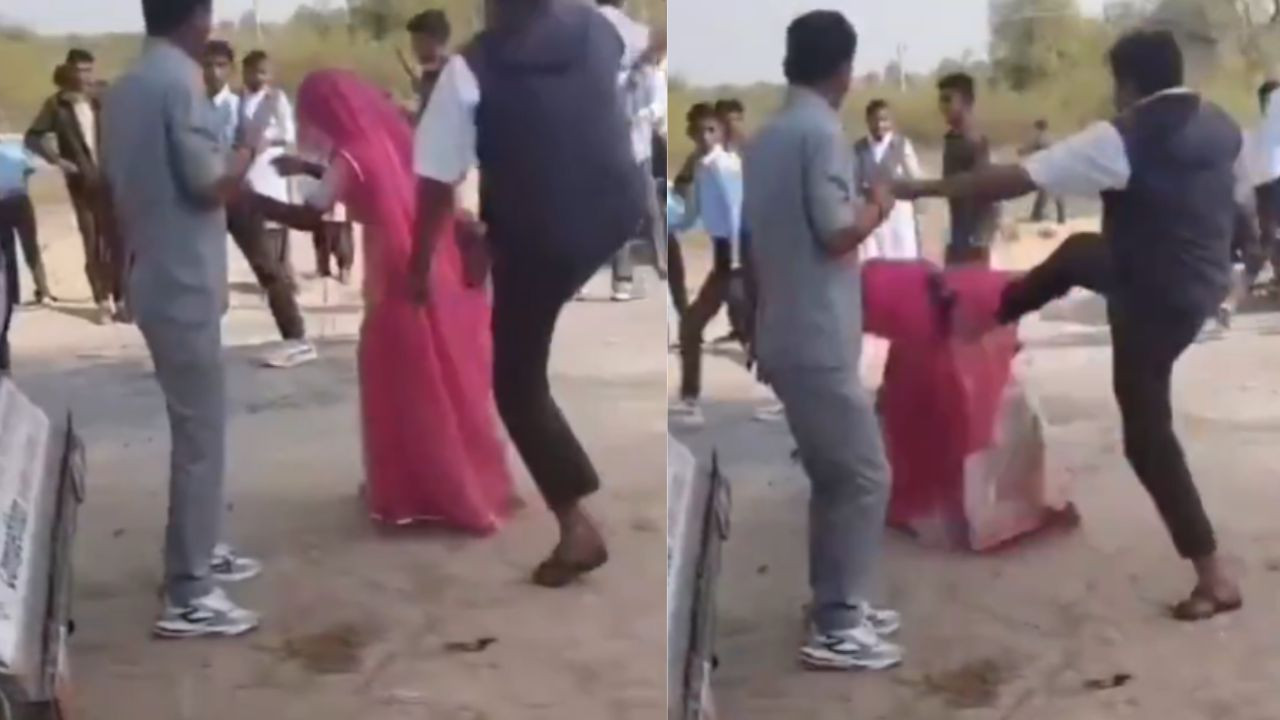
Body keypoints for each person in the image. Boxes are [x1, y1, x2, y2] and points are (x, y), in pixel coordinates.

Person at [894, 30, 1244, 621]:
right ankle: (998, 313)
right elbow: (1235, 201)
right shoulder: (1221, 124)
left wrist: (920, 188)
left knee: (1145, 435)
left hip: (1154, 293)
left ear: (1126, 83)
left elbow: (1016, 179)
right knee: (1083, 256)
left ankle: (1215, 576)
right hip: (1199, 286)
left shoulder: (1124, 136)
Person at [412, 0, 644, 587]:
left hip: (542, 235)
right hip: (618, 210)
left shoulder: (468, 70)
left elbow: (437, 182)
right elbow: (651, 42)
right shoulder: (599, 24)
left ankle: (577, 527)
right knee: (517, 249)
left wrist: (419, 266)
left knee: (517, 382)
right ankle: (492, 238)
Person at [249, 70, 512, 532]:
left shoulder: (350, 155)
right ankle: (455, 478)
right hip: (422, 259)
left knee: (399, 379)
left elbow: (312, 214)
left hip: (390, 268)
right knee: (435, 369)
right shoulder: (389, 143)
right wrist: (307, 168)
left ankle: (413, 487)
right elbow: (370, 181)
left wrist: (250, 200)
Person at [102, 0, 269, 638]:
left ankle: (199, 547)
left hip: (153, 267)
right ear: (196, 18)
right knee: (201, 433)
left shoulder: (125, 86)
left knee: (194, 427)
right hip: (182, 279)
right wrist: (249, 146)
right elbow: (208, 182)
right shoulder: (180, 81)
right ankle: (190, 591)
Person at [744, 10, 902, 671]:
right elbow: (837, 231)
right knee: (864, 476)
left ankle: (839, 601)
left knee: (835, 478)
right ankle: (837, 623)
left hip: (786, 326)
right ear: (843, 68)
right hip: (815, 335)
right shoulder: (822, 134)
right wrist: (880, 204)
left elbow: (754, 244)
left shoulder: (767, 136)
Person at [209, 45, 316, 369]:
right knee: (204, 274)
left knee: (268, 267)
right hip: (205, 198)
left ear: (229, 69)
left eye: (220, 65)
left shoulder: (240, 107)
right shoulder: (191, 107)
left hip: (238, 194)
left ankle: (296, 337)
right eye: (207, 65)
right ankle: (202, 347)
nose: (213, 72)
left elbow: (250, 146)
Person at [26, 50, 124, 324]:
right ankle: (101, 301)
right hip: (81, 185)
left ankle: (121, 298)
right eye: (79, 70)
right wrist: (58, 160)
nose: (84, 76)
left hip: (112, 181)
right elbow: (32, 138)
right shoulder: (56, 105)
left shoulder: (104, 98)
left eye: (88, 70)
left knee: (117, 241)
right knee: (92, 242)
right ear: (69, 71)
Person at [670, 104, 743, 426]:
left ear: (722, 133)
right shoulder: (701, 167)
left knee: (754, 333)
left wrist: (739, 262)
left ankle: (790, 400)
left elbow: (735, 212)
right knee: (691, 326)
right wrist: (667, 222)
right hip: (723, 257)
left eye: (712, 130)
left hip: (739, 258)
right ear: (691, 134)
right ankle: (690, 399)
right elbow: (690, 216)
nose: (705, 137)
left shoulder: (725, 166)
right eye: (700, 131)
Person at [937, 72, 998, 267]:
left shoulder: (975, 140)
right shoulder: (952, 138)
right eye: (941, 100)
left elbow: (987, 189)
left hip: (973, 236)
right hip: (958, 228)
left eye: (948, 100)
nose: (942, 106)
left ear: (967, 102)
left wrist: (980, 238)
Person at [854, 98, 922, 260]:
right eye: (875, 120)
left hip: (899, 217)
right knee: (871, 263)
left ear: (891, 121)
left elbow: (916, 180)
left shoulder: (902, 145)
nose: (880, 125)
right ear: (867, 121)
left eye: (884, 120)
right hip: (871, 217)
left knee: (902, 262)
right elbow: (854, 183)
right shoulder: (859, 149)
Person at [0, 139, 52, 308]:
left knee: (7, 252)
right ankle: (44, 292)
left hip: (2, 204)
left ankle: (13, 297)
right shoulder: (16, 150)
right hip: (21, 200)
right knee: (31, 247)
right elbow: (29, 170)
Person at [403, 9, 453, 120]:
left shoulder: (452, 72)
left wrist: (422, 88)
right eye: (413, 41)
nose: (414, 47)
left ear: (437, 39)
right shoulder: (427, 73)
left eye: (419, 41)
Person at [1020, 119, 1067, 224]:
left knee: (1044, 191)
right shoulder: (1050, 137)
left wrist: (1021, 151)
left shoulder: (1040, 137)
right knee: (1053, 192)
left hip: (1048, 167)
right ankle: (1061, 217)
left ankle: (1037, 215)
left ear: (1038, 128)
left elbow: (1030, 148)